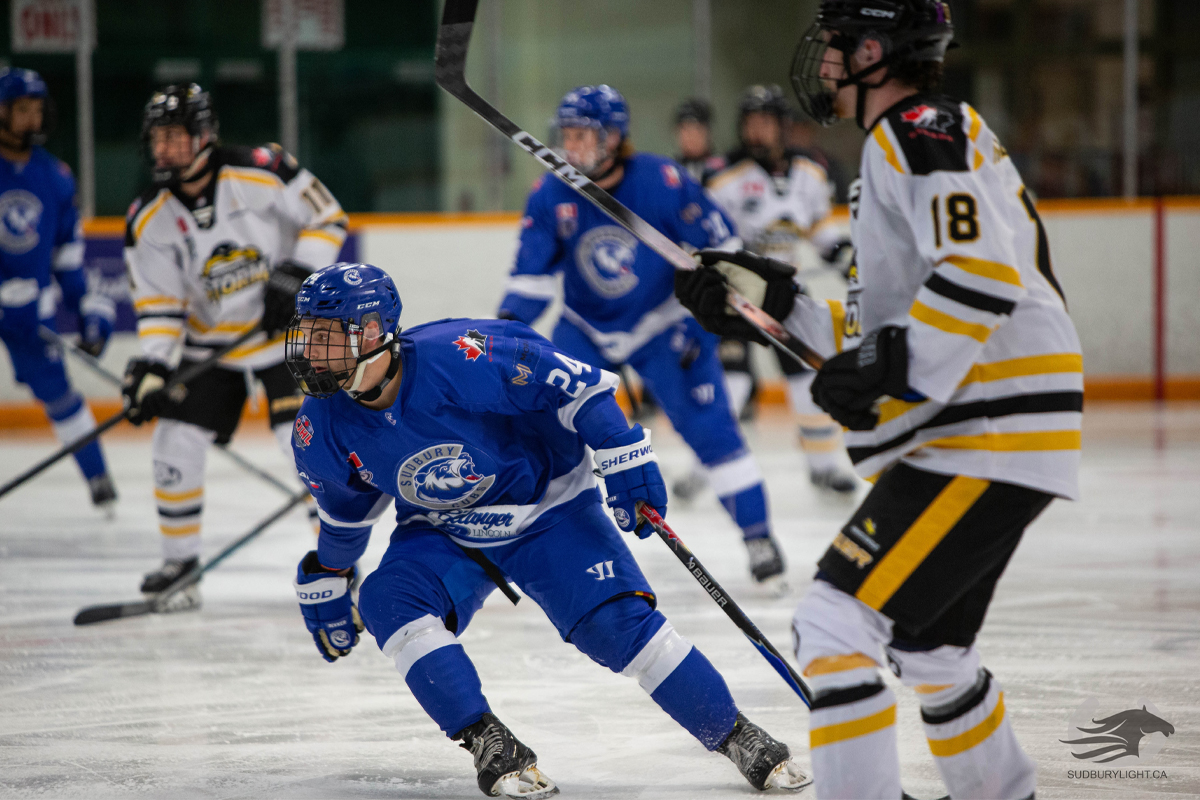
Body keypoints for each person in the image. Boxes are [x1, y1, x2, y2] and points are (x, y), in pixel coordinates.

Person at [677, 1, 1081, 797]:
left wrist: (895, 370)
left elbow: (981, 273)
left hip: (986, 429)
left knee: (833, 622)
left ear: (872, 50)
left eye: (833, 44)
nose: (821, 61)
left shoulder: (920, 127)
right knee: (932, 650)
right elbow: (883, 329)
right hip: (987, 427)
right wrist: (770, 306)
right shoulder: (895, 150)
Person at [283, 262, 811, 798]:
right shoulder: (318, 425)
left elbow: (578, 387)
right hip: (444, 530)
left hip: (547, 508)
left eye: (326, 338)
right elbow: (345, 517)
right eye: (307, 336)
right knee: (387, 600)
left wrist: (621, 449)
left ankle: (735, 733)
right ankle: (487, 740)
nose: (310, 353)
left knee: (618, 627)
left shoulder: (462, 352)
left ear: (374, 333)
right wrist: (329, 571)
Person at [496, 85, 787, 585]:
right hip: (584, 328)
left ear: (615, 137)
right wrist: (502, 337)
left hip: (662, 323)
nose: (572, 146)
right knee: (537, 427)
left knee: (711, 428)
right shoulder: (550, 194)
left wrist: (708, 322)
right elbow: (530, 284)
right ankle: (517, 540)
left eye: (584, 135)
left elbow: (724, 253)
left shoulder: (664, 181)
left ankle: (758, 534)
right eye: (566, 135)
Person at [121, 83, 348, 608]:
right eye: (158, 139)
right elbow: (159, 305)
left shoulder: (262, 169)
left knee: (306, 444)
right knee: (174, 441)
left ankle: (338, 563)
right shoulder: (148, 218)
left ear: (204, 134)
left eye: (175, 137)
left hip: (283, 339)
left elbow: (328, 216)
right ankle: (181, 567)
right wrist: (154, 366)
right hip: (211, 349)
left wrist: (296, 272)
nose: (164, 149)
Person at [704, 84, 858, 495]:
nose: (756, 132)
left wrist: (845, 258)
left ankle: (823, 466)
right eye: (750, 123)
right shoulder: (723, 177)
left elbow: (821, 231)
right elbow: (712, 239)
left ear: (782, 127)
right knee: (734, 382)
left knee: (805, 376)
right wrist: (740, 271)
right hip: (738, 295)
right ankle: (707, 466)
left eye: (764, 123)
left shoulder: (810, 173)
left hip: (785, 296)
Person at [0, 67, 117, 513]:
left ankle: (98, 478)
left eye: (36, 110)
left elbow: (67, 256)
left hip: (28, 313)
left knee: (58, 390)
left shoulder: (55, 177)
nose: (31, 120)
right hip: (11, 301)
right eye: (21, 110)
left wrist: (86, 306)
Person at [672, 97, 721, 183]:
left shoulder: (725, 170)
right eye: (685, 129)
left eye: (697, 129)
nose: (691, 136)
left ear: (708, 132)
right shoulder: (670, 171)